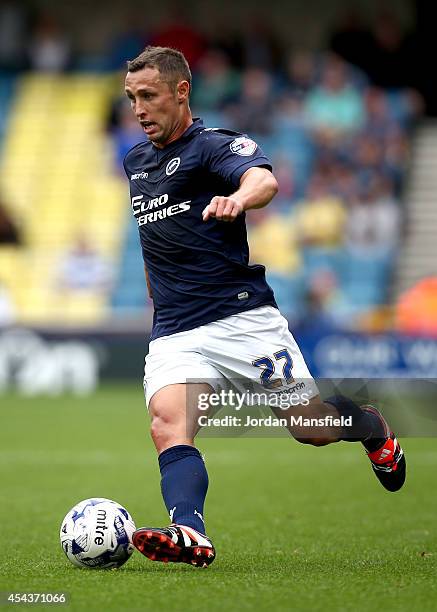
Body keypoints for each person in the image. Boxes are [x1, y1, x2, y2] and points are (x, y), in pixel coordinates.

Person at [123, 46, 406, 569]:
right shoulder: (136, 162)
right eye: (132, 98)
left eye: (149, 96)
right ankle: (190, 532)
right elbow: (152, 242)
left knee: (310, 426)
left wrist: (238, 199)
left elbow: (264, 178)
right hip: (175, 331)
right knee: (168, 423)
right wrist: (155, 307)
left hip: (243, 321)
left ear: (181, 92)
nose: (139, 109)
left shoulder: (214, 147)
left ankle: (372, 428)